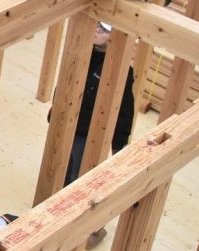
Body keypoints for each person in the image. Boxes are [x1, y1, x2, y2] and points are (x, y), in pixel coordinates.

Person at [54, 21, 134, 249]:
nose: (98, 31)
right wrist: (56, 111)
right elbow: (65, 83)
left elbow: (125, 108)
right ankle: (62, 223)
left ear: (115, 35)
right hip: (69, 128)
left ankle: (92, 229)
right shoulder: (83, 53)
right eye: (97, 26)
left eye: (105, 29)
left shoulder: (120, 69)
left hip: (88, 137)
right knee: (65, 177)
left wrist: (119, 144)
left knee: (82, 184)